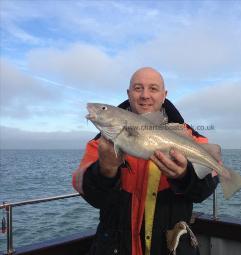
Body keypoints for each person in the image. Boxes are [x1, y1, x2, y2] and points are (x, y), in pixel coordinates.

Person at [72, 67, 218, 255]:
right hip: (116, 247)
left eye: (153, 89)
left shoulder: (190, 137)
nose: (145, 95)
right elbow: (88, 193)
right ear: (129, 93)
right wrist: (106, 170)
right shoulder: (101, 143)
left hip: (172, 248)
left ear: (164, 95)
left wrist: (185, 176)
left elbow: (204, 191)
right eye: (138, 88)